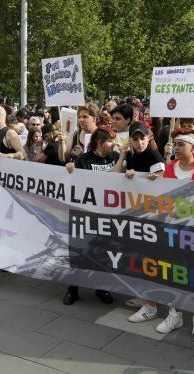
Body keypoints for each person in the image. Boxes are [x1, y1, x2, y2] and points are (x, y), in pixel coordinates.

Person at [140, 127, 194, 344]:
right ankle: (175, 315)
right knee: (174, 273)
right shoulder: (169, 170)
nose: (176, 147)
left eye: (181, 144)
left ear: (193, 147)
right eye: (175, 144)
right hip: (173, 231)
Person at [62, 127, 117, 306]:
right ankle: (73, 288)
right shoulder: (84, 160)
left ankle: (101, 287)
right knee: (81, 251)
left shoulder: (115, 157)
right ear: (100, 143)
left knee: (102, 253)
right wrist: (70, 167)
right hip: (86, 214)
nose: (113, 144)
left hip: (107, 214)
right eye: (110, 141)